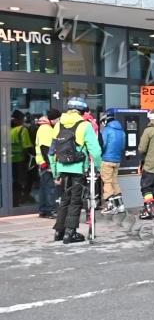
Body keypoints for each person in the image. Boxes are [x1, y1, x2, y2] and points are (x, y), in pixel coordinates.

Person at [49, 97, 102, 244]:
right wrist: (99, 168)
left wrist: (55, 172)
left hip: (62, 167)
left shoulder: (58, 125)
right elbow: (96, 151)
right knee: (76, 200)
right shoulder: (85, 126)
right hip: (78, 168)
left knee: (65, 199)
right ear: (82, 111)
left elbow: (52, 152)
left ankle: (59, 232)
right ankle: (70, 233)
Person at [35, 108, 61, 219]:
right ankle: (50, 210)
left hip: (43, 162)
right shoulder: (46, 129)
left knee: (44, 187)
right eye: (58, 119)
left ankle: (43, 210)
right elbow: (46, 148)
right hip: (46, 163)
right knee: (50, 187)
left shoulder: (44, 128)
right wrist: (50, 165)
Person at [99, 110, 126, 215]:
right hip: (117, 160)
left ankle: (111, 206)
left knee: (107, 182)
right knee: (114, 181)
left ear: (105, 120)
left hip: (107, 159)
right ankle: (120, 205)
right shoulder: (121, 131)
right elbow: (122, 147)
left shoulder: (107, 130)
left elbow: (103, 144)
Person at [11, 110, 35, 206]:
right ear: (20, 119)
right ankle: (24, 197)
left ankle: (15, 200)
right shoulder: (22, 129)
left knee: (14, 180)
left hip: (10, 160)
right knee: (25, 179)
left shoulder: (8, 129)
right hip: (20, 159)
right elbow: (27, 146)